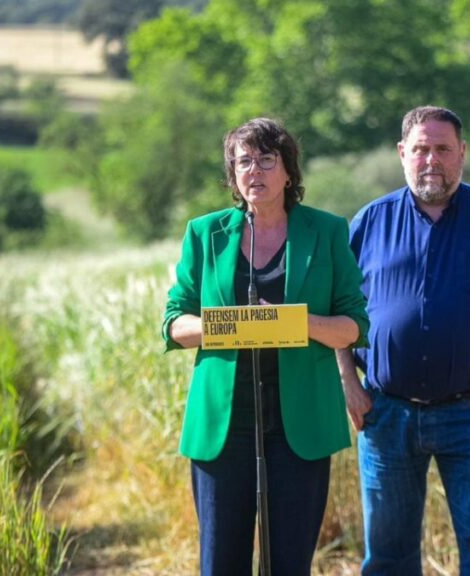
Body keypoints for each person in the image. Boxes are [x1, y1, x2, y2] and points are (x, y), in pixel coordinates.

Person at [336, 106, 470, 575]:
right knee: (388, 556)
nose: (431, 159)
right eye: (420, 149)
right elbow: (337, 308)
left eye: (442, 149)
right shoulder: (370, 222)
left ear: (462, 154)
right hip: (385, 411)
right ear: (402, 154)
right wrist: (347, 383)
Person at [162, 117, 369, 575]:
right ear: (233, 175)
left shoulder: (328, 231)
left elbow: (353, 325)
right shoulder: (205, 233)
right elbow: (174, 324)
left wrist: (296, 322)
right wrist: (236, 326)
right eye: (243, 162)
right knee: (221, 562)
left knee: (289, 563)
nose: (253, 170)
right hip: (224, 425)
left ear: (289, 171)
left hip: (300, 423)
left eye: (266, 160)